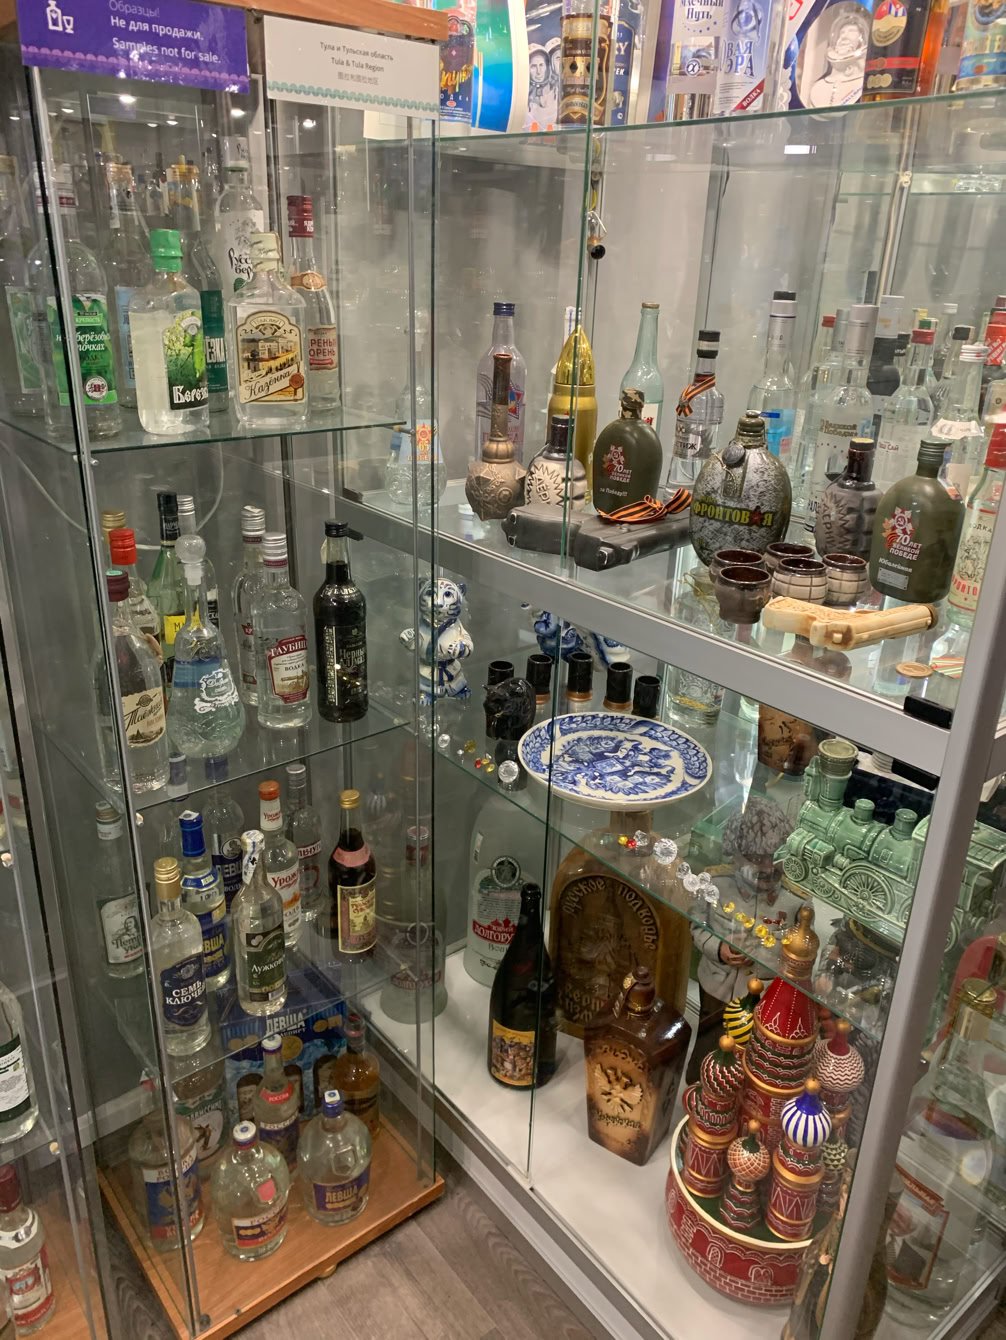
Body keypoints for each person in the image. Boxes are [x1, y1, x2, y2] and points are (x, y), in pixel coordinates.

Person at [686, 793, 802, 1084]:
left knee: (755, 1062)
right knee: (708, 1046)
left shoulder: (796, 901)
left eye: (773, 856)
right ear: (736, 854)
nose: (767, 867)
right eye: (756, 858)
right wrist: (719, 949)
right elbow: (697, 927)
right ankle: (698, 1086)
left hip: (765, 998)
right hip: (717, 987)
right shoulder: (715, 885)